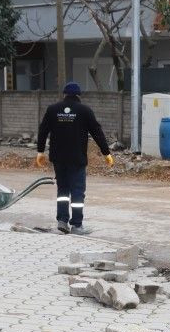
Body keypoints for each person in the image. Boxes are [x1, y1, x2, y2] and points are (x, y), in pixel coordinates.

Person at [36, 82, 114, 234]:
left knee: (63, 190)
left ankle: (62, 221)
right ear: (78, 95)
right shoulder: (84, 110)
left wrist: (40, 151)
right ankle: (77, 225)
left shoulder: (53, 110)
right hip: (77, 158)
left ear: (64, 94)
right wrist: (106, 153)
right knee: (77, 191)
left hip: (58, 158)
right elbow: (97, 133)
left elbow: (43, 130)